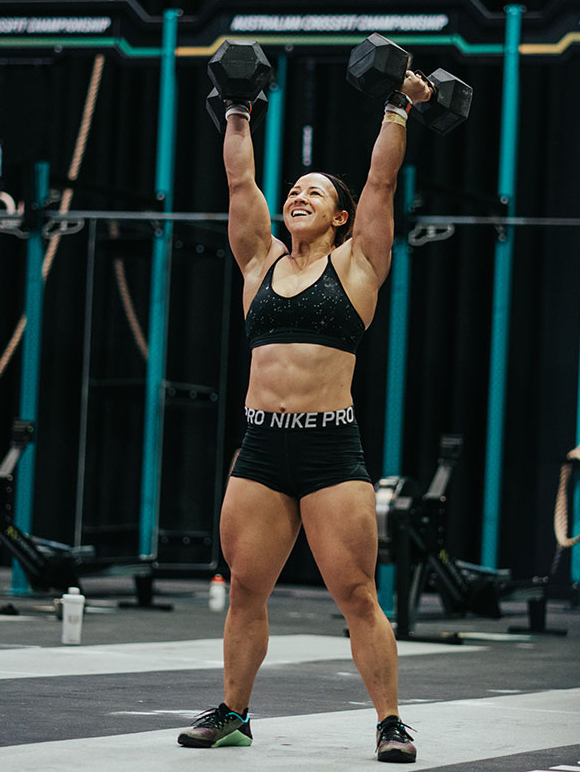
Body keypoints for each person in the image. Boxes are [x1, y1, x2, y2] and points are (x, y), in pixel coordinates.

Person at [177, 67, 433, 763]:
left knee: (355, 593)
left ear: (340, 217)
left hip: (329, 453)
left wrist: (397, 107)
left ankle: (389, 723)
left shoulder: (357, 267)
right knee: (245, 592)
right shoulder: (259, 262)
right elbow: (240, 187)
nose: (297, 194)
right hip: (260, 451)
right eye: (293, 188)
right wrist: (236, 110)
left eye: (313, 191)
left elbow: (380, 182)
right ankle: (234, 711)